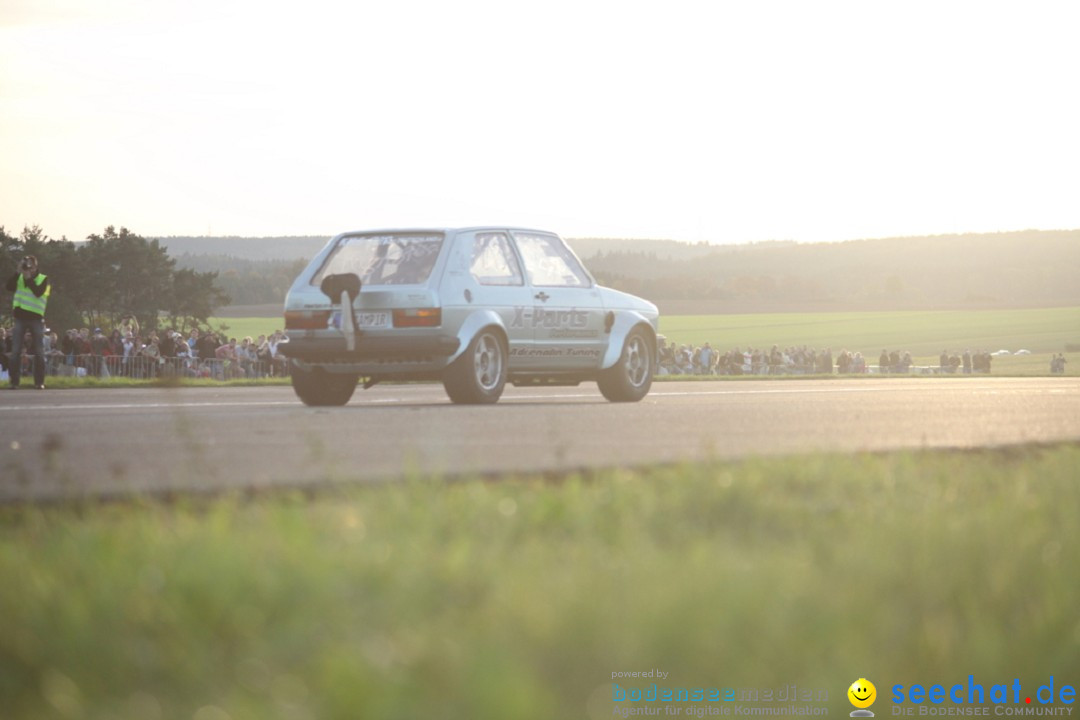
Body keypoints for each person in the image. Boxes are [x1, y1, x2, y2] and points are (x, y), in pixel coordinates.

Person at [5, 255, 50, 389]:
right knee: (16, 351)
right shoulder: (19, 277)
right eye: (27, 265)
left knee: (39, 351)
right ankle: (14, 382)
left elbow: (38, 292)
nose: (29, 268)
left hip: (36, 318)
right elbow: (9, 287)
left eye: (31, 266)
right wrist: (18, 272)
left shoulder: (44, 279)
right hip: (20, 317)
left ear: (36, 267)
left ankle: (39, 382)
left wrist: (28, 277)